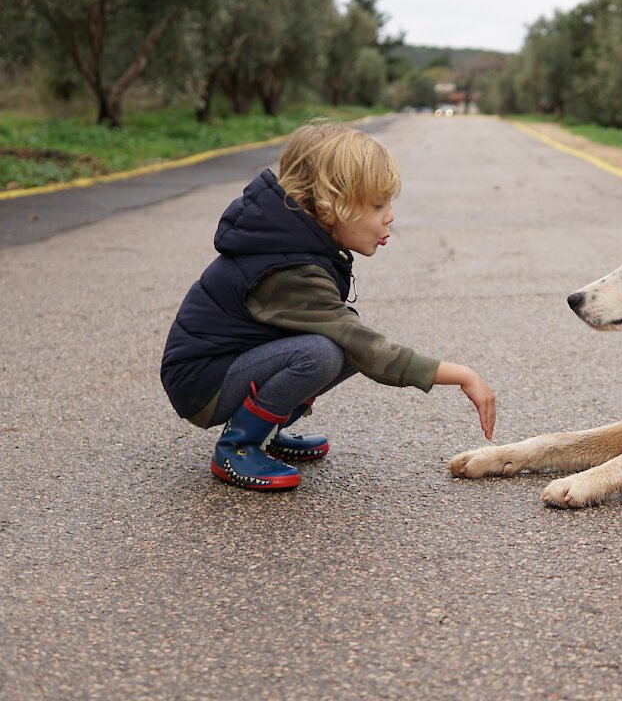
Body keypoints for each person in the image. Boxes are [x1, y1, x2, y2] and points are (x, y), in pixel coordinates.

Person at [160, 120, 495, 491]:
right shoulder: (288, 268)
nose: (390, 216)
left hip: (227, 366)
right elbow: (365, 347)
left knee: (344, 341)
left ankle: (264, 432)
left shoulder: (298, 245)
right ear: (329, 206)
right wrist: (461, 374)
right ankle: (239, 447)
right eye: (377, 205)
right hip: (202, 384)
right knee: (325, 350)